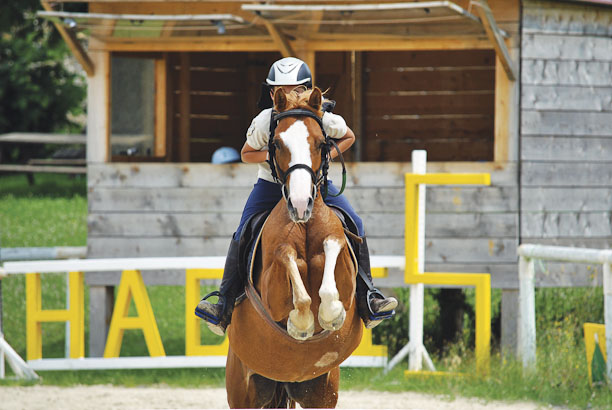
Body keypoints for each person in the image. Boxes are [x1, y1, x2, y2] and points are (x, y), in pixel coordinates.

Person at [196, 57, 397, 336]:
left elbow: (349, 136)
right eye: (282, 90)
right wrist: (281, 156)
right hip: (271, 185)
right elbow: (245, 153)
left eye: (296, 89)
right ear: (272, 94)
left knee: (355, 223)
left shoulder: (323, 117)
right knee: (243, 231)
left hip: (315, 182)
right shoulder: (265, 120)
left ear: (307, 90)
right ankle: (225, 303)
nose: (290, 95)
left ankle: (368, 297)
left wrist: (321, 155)